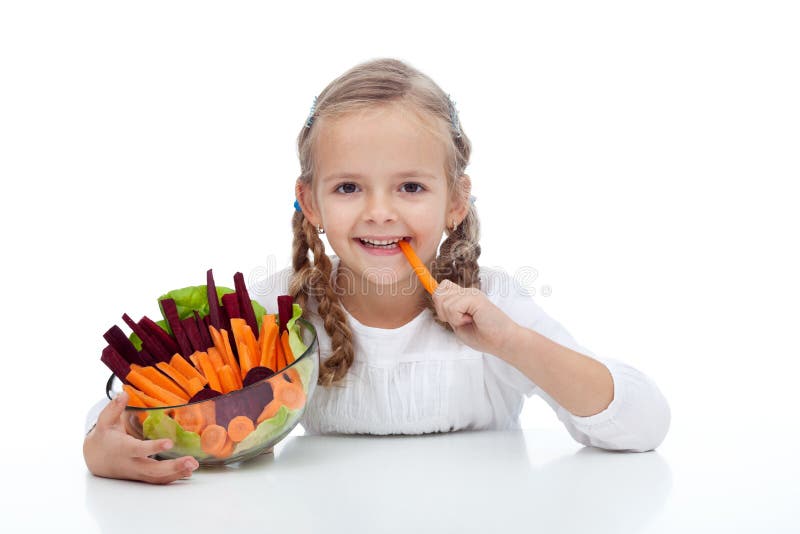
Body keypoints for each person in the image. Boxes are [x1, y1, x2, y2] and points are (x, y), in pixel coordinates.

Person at [83, 57, 670, 484]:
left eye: (411, 186)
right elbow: (134, 405)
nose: (380, 211)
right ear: (310, 203)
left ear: (455, 201)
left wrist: (514, 343)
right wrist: (101, 447)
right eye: (348, 187)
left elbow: (644, 425)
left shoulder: (495, 306)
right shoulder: (274, 314)